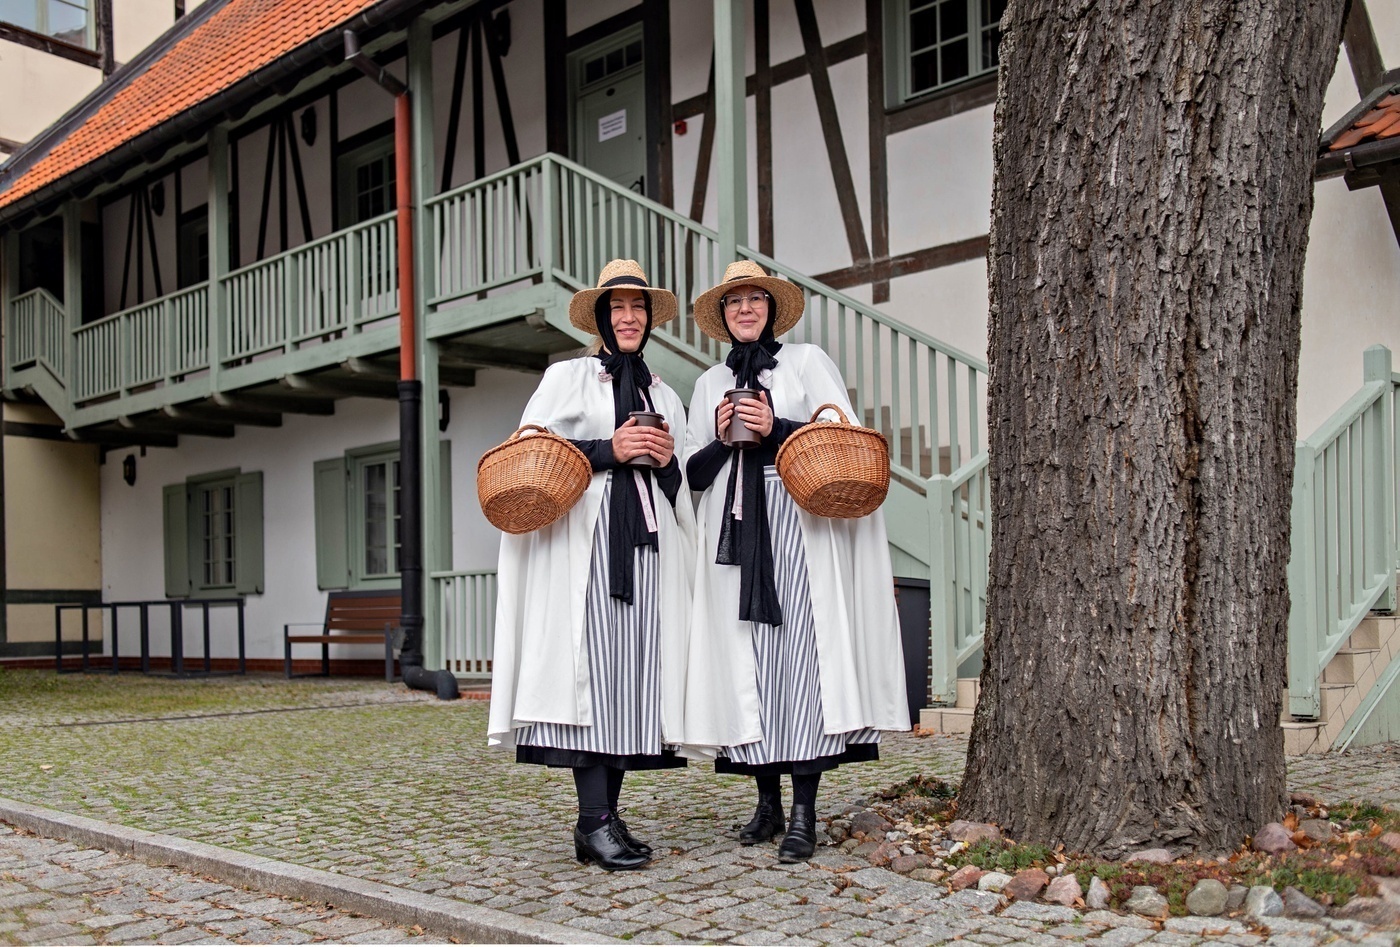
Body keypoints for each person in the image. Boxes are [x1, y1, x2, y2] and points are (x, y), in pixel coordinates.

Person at [682, 260, 909, 863]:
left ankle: (804, 810)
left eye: (756, 300)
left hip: (797, 521)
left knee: (802, 659)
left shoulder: (807, 363)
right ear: (723, 318)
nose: (746, 310)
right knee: (749, 659)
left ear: (772, 309)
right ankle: (766, 803)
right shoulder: (708, 384)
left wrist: (777, 427)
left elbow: (842, 436)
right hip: (731, 524)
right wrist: (719, 434)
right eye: (734, 304)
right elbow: (692, 476)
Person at [487, 260, 696, 871]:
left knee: (631, 679)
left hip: (651, 544)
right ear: (601, 318)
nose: (628, 317)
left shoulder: (664, 392)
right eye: (618, 308)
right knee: (592, 676)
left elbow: (679, 483)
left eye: (638, 308)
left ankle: (604, 820)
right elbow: (530, 449)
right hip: (587, 543)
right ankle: (592, 820)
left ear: (648, 319)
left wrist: (661, 459)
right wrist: (610, 449)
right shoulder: (567, 378)